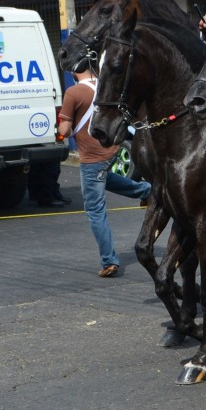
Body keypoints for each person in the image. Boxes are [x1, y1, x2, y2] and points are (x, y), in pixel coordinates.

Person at [58, 65, 152, 277]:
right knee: (105, 179)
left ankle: (109, 260)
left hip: (92, 157)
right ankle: (148, 191)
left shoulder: (73, 92)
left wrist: (64, 130)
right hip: (112, 149)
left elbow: (64, 129)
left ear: (74, 71)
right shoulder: (106, 85)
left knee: (95, 210)